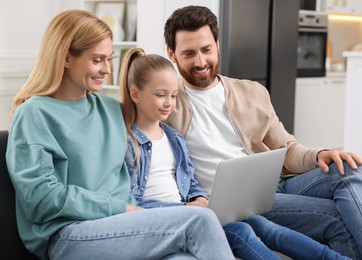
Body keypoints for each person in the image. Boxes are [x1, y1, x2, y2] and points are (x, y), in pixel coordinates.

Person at [163, 5, 362, 260]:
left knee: (349, 168)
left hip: (276, 184)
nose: (201, 62)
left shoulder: (251, 92)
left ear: (217, 44)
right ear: (171, 54)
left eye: (206, 50)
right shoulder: (165, 104)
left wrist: (320, 155)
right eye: (189, 53)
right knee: (339, 215)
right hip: (233, 204)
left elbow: (286, 147)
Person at [5, 9, 235, 260]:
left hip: (124, 224)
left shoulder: (112, 110)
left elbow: (160, 106)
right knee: (199, 221)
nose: (106, 69)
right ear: (66, 58)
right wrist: (120, 208)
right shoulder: (34, 114)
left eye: (109, 59)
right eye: (97, 60)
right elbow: (41, 198)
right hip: (68, 233)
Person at [120, 47, 349, 260]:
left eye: (172, 95)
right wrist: (185, 209)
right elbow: (131, 200)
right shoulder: (128, 142)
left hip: (193, 212)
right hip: (165, 219)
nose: (169, 103)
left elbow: (189, 183)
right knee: (240, 231)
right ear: (135, 94)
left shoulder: (174, 138)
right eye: (161, 95)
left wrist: (199, 198)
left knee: (261, 224)